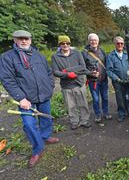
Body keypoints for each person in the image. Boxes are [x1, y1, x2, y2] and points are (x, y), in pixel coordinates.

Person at [0, 30, 59, 167]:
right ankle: (38, 149)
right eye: (20, 39)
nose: (24, 41)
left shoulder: (38, 55)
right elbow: (7, 80)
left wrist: (50, 87)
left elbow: (49, 73)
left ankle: (45, 136)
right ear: (15, 40)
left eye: (26, 39)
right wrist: (21, 98)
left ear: (30, 40)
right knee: (29, 124)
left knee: (45, 118)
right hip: (26, 99)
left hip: (44, 95)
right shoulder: (7, 58)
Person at [51, 35, 91, 130]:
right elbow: (56, 72)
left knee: (83, 104)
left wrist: (66, 70)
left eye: (67, 43)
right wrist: (67, 75)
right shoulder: (55, 56)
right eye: (63, 43)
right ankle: (74, 121)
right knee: (70, 106)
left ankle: (84, 121)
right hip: (66, 85)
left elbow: (82, 66)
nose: (65, 45)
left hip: (79, 83)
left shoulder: (77, 53)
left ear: (69, 44)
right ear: (59, 45)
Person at [106, 36, 129, 122]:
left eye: (121, 43)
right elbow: (109, 70)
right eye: (118, 43)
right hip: (118, 82)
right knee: (120, 98)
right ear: (115, 44)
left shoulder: (128, 54)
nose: (120, 45)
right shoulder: (110, 56)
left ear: (124, 44)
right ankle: (122, 114)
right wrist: (117, 79)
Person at [82, 33, 111, 123]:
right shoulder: (84, 53)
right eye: (92, 40)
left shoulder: (102, 51)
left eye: (95, 40)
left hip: (103, 79)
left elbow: (106, 63)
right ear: (89, 41)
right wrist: (90, 73)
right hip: (92, 81)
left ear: (98, 42)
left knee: (105, 97)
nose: (94, 42)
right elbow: (82, 67)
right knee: (95, 99)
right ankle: (97, 115)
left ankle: (106, 113)